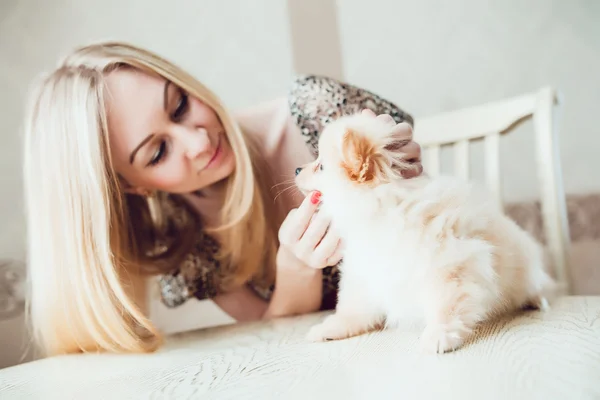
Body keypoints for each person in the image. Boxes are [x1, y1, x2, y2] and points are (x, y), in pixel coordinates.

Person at [22, 41, 423, 356]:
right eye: (158, 152)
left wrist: (395, 170)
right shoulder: (184, 236)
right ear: (133, 186)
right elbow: (275, 340)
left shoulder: (315, 111)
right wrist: (295, 267)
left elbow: (432, 240)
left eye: (179, 105)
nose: (198, 141)